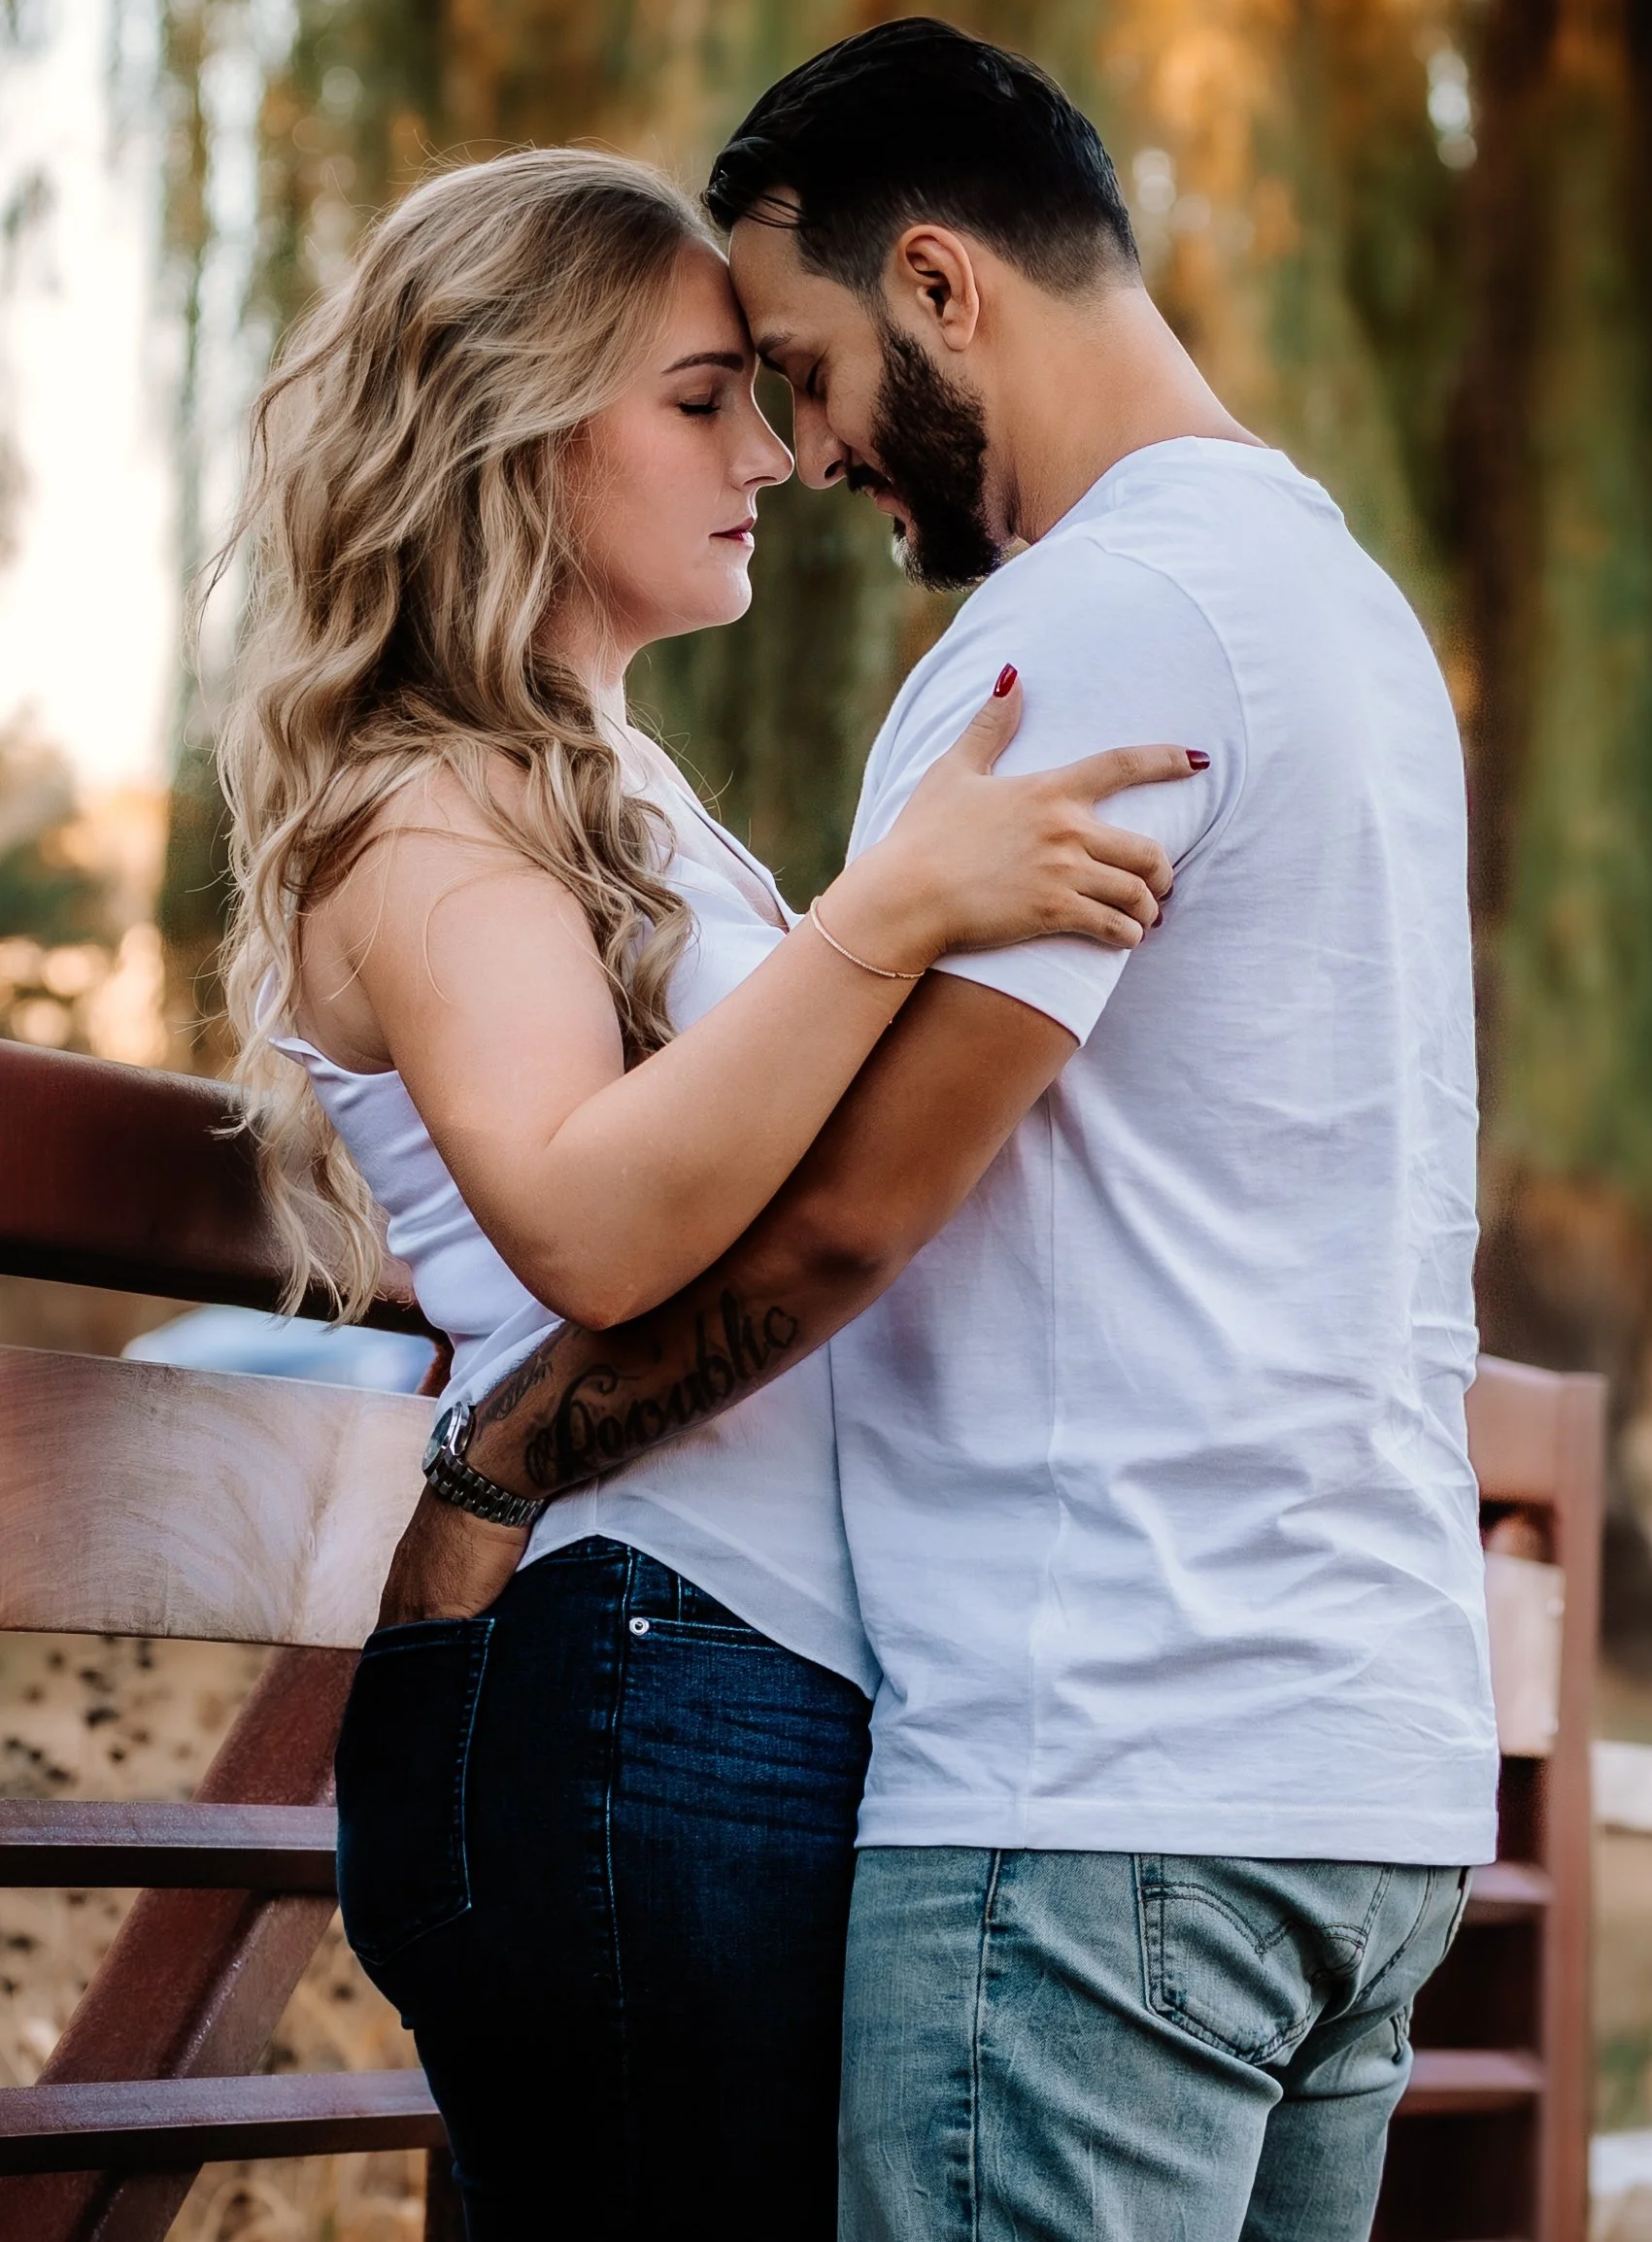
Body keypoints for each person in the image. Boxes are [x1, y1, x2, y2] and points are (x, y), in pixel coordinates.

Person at [424, 22, 1498, 2242]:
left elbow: (836, 1228)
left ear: (939, 288)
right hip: (1355, 1779)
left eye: (796, 369)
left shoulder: (1088, 623)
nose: (807, 456)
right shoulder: (1340, 609)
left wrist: (501, 1464)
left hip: (1105, 1785)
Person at [213, 142, 1198, 2241]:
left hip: (733, 1672)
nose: (765, 446)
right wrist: (889, 911)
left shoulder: (602, 773)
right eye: (694, 397)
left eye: (757, 389)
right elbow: (586, 1220)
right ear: (514, 422)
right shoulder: (420, 798)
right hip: (635, 1669)